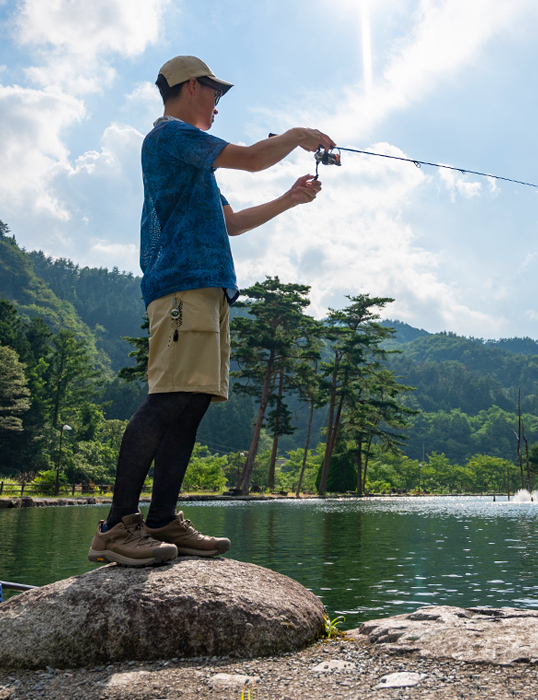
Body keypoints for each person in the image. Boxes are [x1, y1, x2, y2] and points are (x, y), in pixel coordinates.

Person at [88, 55, 335, 567]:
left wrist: (290, 198)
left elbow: (233, 224)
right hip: (182, 286)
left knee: (190, 405)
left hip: (209, 288)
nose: (219, 104)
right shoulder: (169, 136)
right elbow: (248, 157)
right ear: (192, 87)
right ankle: (116, 527)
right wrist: (295, 136)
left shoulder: (192, 160)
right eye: (216, 93)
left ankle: (161, 520)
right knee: (166, 400)